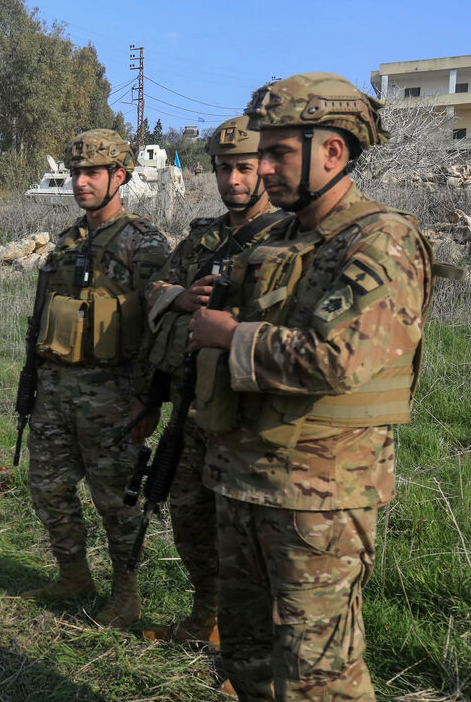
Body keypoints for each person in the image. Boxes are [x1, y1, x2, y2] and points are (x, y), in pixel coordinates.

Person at [189, 73, 432, 701]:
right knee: (247, 662)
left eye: (279, 153)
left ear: (333, 151)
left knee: (319, 679)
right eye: (260, 152)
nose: (263, 168)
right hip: (243, 480)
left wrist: (229, 336)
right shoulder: (277, 239)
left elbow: (336, 360)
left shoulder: (383, 240)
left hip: (318, 499)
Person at [141, 118, 292, 645]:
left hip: (248, 415)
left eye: (244, 167)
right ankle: (207, 616)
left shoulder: (288, 239)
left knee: (245, 535)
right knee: (190, 520)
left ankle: (249, 645)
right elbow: (155, 284)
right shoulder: (202, 238)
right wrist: (179, 297)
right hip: (192, 404)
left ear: (266, 169)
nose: (232, 179)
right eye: (224, 168)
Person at [22, 128, 170, 628]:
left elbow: (159, 328)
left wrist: (148, 401)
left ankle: (125, 594)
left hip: (113, 396)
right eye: (75, 173)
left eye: (92, 173)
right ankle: (73, 576)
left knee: (116, 502)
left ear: (119, 176)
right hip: (56, 392)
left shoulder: (143, 243)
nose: (81, 182)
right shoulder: (65, 244)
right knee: (47, 488)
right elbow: (42, 316)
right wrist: (34, 381)